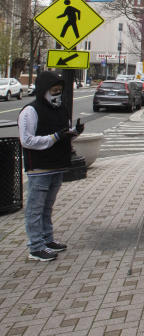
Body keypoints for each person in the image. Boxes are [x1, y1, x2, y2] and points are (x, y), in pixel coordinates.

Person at [18, 71, 81, 262]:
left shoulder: (61, 110)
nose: (57, 95)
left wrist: (73, 133)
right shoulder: (31, 111)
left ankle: (47, 238)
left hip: (57, 166)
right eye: (54, 90)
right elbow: (27, 140)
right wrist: (53, 138)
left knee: (47, 207)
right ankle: (36, 246)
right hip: (39, 168)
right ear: (43, 91)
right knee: (35, 208)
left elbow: (63, 134)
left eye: (60, 91)